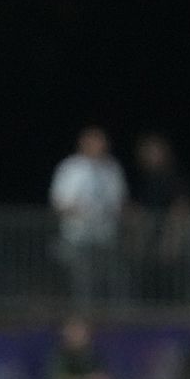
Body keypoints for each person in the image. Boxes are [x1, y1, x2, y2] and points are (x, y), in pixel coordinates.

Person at [50, 126, 126, 307]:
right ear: (83, 143)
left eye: (101, 141)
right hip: (77, 236)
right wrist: (81, 212)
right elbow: (58, 202)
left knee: (114, 277)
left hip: (106, 235)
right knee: (83, 280)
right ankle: (84, 316)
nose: (99, 146)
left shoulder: (112, 168)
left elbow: (120, 201)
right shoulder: (71, 168)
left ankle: (116, 316)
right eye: (94, 141)